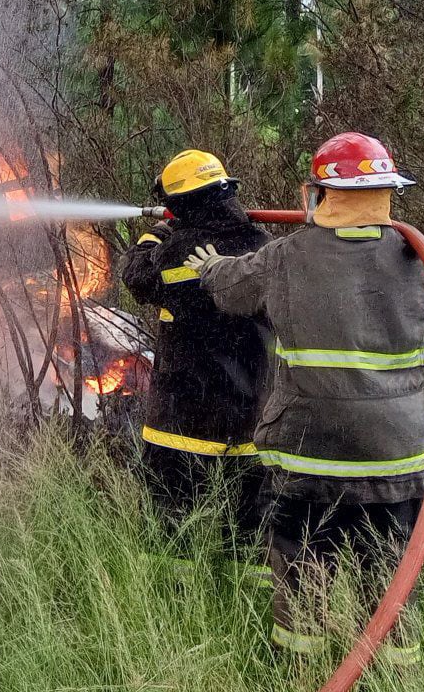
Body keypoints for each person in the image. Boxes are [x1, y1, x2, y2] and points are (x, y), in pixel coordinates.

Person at [183, 132, 424, 666]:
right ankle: (398, 670)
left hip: (310, 455)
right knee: (391, 571)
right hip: (397, 456)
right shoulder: (417, 258)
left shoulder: (287, 257)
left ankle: (301, 666)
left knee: (301, 569)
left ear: (318, 193)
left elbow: (233, 289)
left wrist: (208, 268)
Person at [119, 150, 271, 569]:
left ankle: (174, 597)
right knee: (249, 531)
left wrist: (153, 236)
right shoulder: (262, 243)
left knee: (172, 525)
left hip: (184, 415)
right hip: (250, 413)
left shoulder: (179, 250)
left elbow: (137, 277)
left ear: (181, 205)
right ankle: (251, 608)